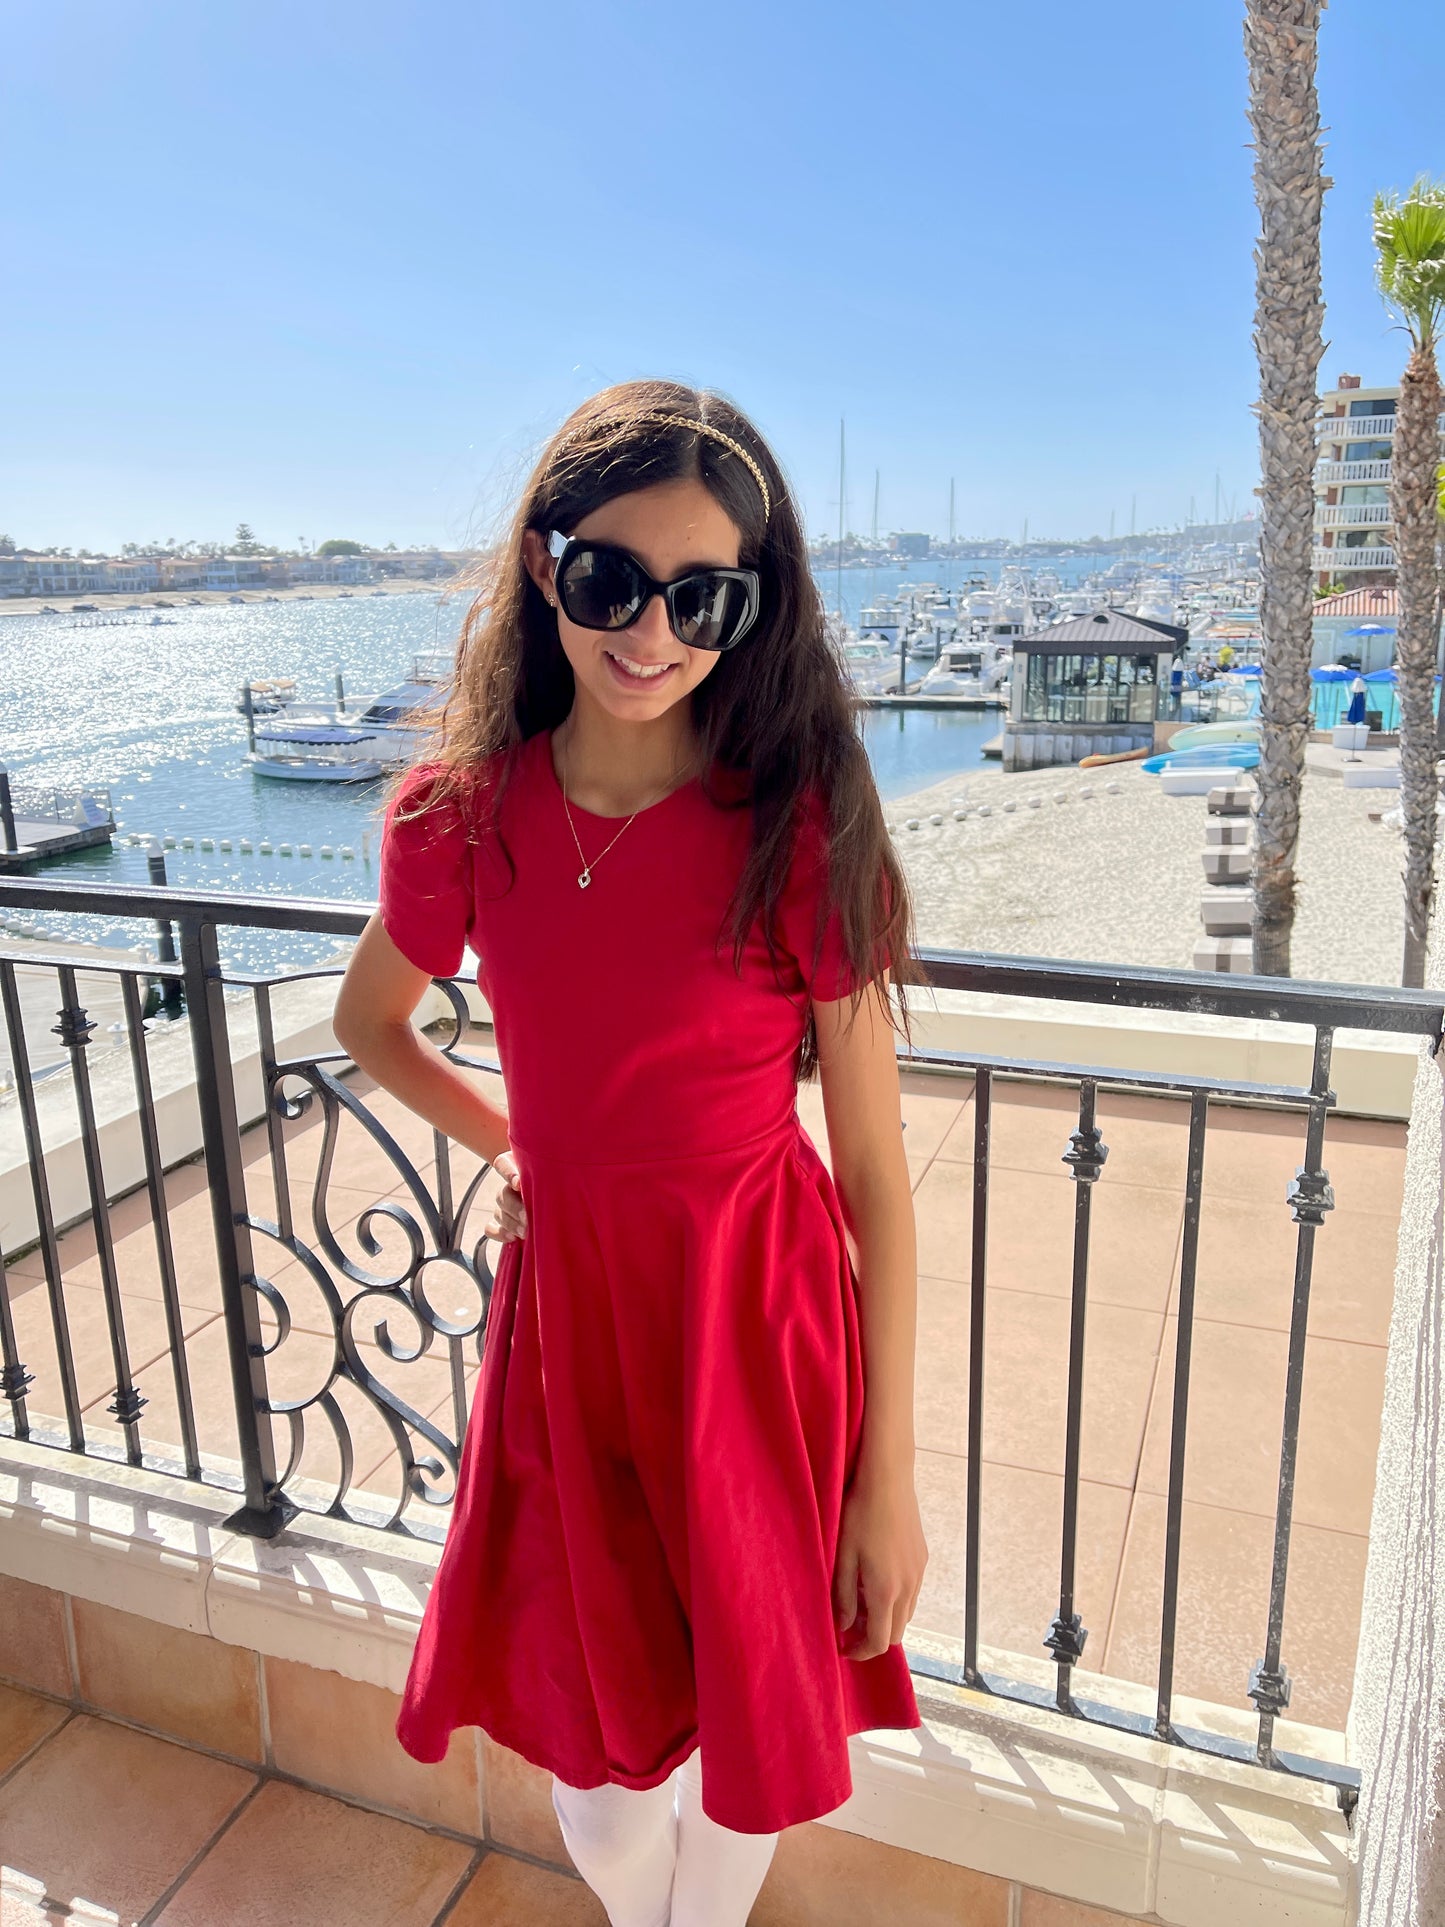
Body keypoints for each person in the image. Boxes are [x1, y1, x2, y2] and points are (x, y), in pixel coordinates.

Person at [333, 379, 928, 1927]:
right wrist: (517, 1144)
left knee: (741, 1710)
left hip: (757, 1317)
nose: (650, 633)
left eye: (702, 596)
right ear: (544, 567)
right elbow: (374, 1023)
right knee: (595, 1761)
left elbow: (872, 1175)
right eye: (609, 580)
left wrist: (889, 1477)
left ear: (752, 606)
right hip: (573, 1326)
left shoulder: (797, 828)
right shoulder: (463, 816)